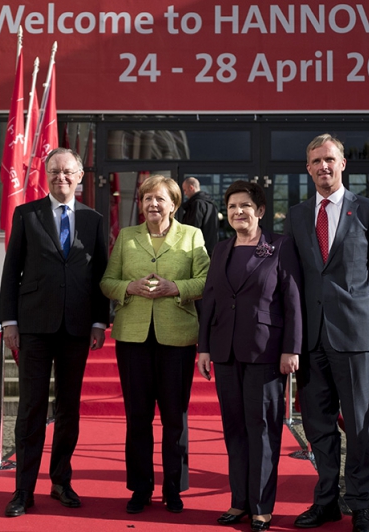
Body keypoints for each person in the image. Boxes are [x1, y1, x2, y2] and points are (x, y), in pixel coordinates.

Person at [284, 134, 369, 532]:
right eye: (315, 161)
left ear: (343, 163)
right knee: (318, 426)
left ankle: (361, 503)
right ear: (308, 168)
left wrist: (363, 316)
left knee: (360, 425)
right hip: (312, 339)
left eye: (329, 159)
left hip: (354, 338)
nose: (323, 167)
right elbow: (293, 278)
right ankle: (326, 500)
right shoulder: (296, 216)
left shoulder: (368, 210)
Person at [0, 148, 110, 517]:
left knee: (68, 408)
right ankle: (23, 490)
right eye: (54, 171)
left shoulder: (94, 220)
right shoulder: (26, 215)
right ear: (47, 175)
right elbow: (11, 270)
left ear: (80, 175)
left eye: (67, 171)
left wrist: (99, 321)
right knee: (30, 407)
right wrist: (9, 321)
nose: (61, 177)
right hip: (34, 327)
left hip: (77, 327)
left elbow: (100, 277)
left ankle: (61, 480)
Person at [100, 175, 209, 515]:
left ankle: (174, 488)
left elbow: (206, 280)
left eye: (159, 199)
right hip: (133, 337)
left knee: (175, 418)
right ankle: (141, 487)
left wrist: (175, 287)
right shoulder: (126, 237)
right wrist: (126, 288)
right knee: (137, 417)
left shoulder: (192, 236)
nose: (152, 205)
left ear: (174, 204)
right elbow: (107, 281)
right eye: (147, 199)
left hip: (176, 337)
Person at [197, 180, 302, 532]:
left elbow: (292, 301)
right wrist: (205, 347)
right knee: (234, 429)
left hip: (265, 352)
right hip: (225, 351)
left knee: (262, 430)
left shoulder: (280, 247)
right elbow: (210, 299)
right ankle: (238, 501)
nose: (238, 212)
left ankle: (261, 506)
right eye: (231, 208)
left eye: (245, 206)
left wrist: (292, 348)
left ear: (260, 211)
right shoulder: (222, 249)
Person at [180, 177, 219, 256]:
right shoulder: (211, 204)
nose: (185, 193)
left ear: (191, 187)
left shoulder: (197, 204)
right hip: (211, 248)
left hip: (198, 249)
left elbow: (192, 228)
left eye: (185, 190)